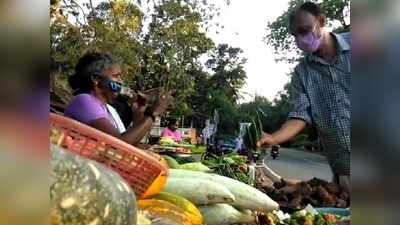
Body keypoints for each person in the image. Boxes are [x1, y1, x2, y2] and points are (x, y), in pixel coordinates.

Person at [257, 2, 350, 192]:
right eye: (295, 35)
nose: (300, 38)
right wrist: (273, 138)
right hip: (345, 170)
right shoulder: (302, 73)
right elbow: (300, 116)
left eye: (304, 30)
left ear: (322, 21)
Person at [64, 52, 170, 146]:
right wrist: (153, 113)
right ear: (96, 79)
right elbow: (119, 145)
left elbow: (130, 142)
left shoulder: (108, 109)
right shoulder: (84, 101)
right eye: (116, 76)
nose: (121, 82)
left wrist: (138, 113)